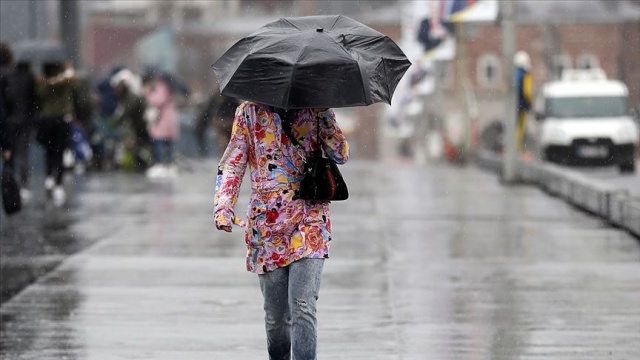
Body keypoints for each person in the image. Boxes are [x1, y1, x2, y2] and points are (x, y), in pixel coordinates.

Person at [213, 102, 349, 359]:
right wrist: (223, 207)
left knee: (302, 305)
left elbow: (340, 154)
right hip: (268, 227)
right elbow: (233, 163)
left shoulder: (316, 108)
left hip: (310, 221)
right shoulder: (249, 112)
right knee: (276, 319)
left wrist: (324, 116)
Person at [36, 60, 75, 205]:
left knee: (50, 151)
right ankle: (57, 182)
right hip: (61, 119)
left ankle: (50, 178)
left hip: (48, 119)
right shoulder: (64, 81)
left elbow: (39, 98)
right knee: (59, 151)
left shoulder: (43, 82)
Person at [1, 60, 37, 200]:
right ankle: (24, 185)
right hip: (24, 122)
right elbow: (33, 101)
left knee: (10, 153)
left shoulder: (8, 78)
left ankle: (9, 182)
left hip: (10, 122)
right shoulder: (30, 78)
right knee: (23, 153)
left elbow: (5, 101)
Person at [143, 76, 180, 178]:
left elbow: (156, 100)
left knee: (159, 141)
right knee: (168, 143)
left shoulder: (161, 87)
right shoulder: (169, 89)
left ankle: (162, 164)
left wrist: (148, 94)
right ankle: (170, 165)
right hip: (168, 120)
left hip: (163, 120)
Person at [194, 86, 239, 157]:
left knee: (226, 142)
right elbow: (205, 116)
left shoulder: (230, 100)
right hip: (222, 126)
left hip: (230, 126)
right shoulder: (214, 101)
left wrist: (227, 121)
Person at [515, 50, 534, 153]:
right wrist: (529, 103)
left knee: (515, 126)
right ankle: (518, 149)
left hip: (515, 104)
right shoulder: (525, 75)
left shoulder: (514, 73)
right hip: (522, 104)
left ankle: (515, 148)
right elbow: (528, 91)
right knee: (521, 127)